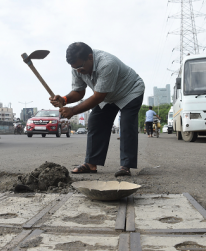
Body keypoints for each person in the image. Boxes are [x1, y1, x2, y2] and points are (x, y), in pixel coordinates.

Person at [50, 42, 144, 177]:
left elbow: (98, 97)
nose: (78, 71)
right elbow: (79, 92)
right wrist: (64, 99)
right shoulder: (77, 67)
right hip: (108, 95)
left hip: (130, 91)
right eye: (75, 68)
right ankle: (91, 163)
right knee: (95, 122)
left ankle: (126, 165)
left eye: (80, 67)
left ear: (90, 57)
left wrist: (72, 111)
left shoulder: (107, 64)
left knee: (127, 125)